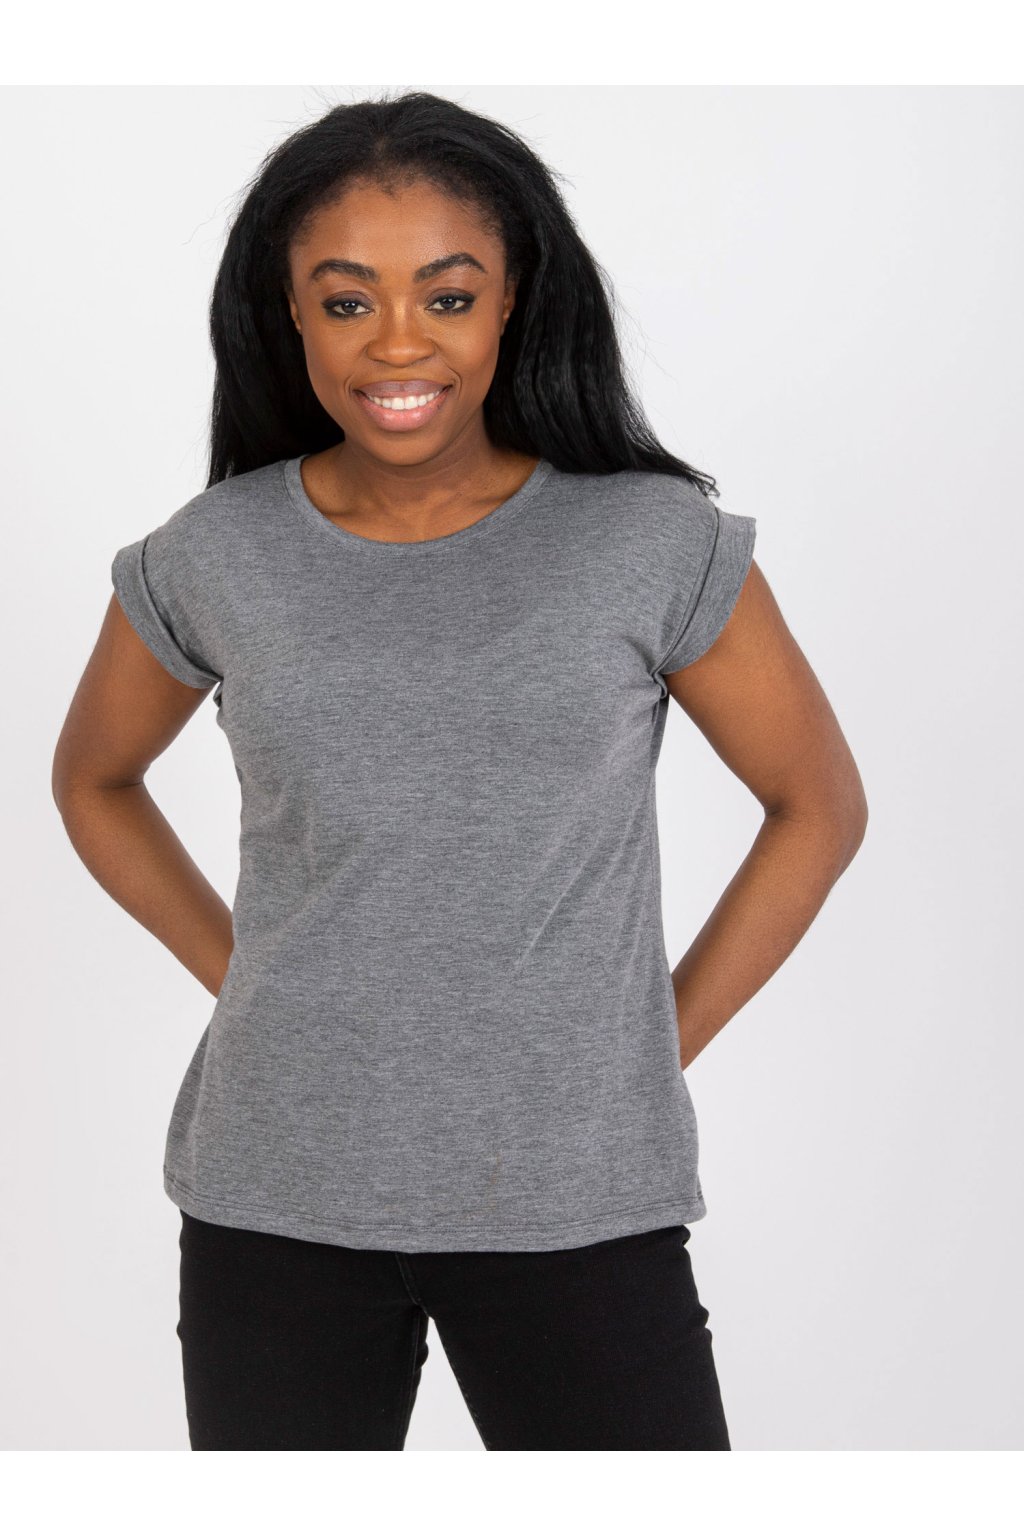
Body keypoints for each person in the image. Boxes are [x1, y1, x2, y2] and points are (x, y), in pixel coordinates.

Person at [51, 90, 868, 1451]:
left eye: (447, 294)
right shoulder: (215, 552)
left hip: (577, 1198)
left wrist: (647, 1045)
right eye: (347, 300)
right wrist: (246, 976)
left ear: (511, 303)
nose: (398, 342)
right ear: (290, 314)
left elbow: (817, 807)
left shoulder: (649, 543)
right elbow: (94, 780)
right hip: (277, 1194)